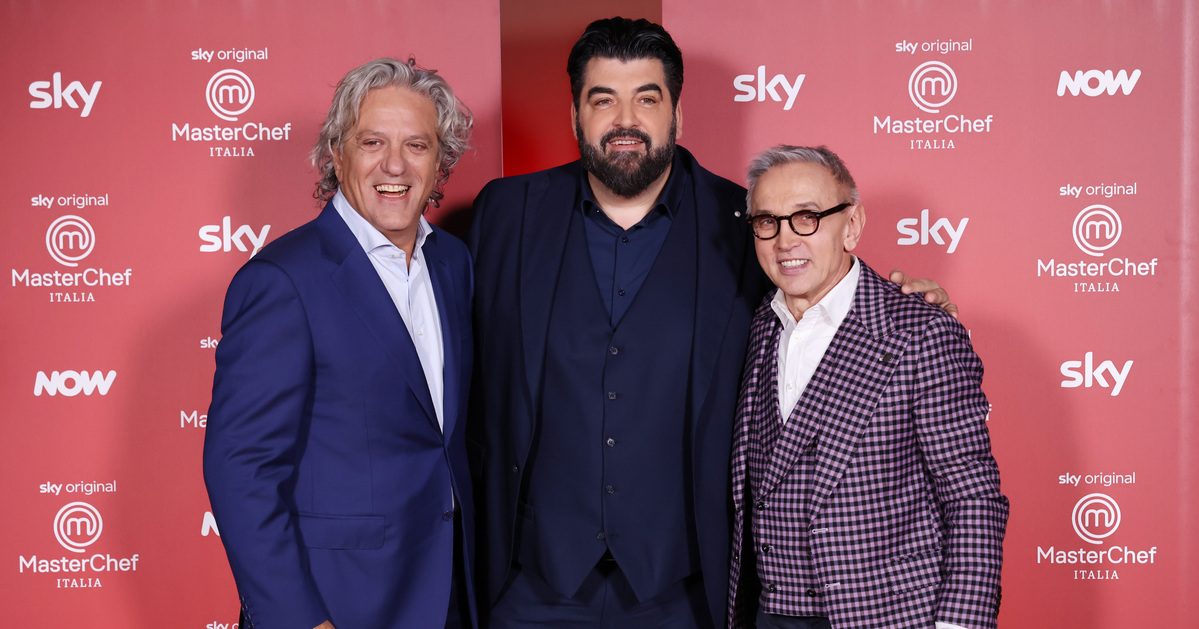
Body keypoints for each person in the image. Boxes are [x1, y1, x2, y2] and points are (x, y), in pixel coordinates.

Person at [468, 17, 955, 629]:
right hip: (531, 587)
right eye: (603, 100)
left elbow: (817, 282)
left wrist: (904, 300)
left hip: (684, 592)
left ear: (676, 113)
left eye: (647, 98)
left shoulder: (741, 220)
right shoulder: (506, 214)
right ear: (575, 115)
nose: (626, 120)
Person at [203, 57, 476, 629]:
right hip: (338, 605)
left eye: (417, 145)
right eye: (372, 141)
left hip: (447, 596)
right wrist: (300, 620)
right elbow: (241, 468)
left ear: (441, 160)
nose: (394, 164)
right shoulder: (283, 281)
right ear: (337, 152)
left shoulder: (454, 264)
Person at [726, 145, 1007, 629]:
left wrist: (960, 624)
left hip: (884, 616)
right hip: (767, 614)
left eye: (807, 218)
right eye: (767, 221)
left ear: (852, 225)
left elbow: (972, 495)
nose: (785, 240)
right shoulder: (757, 326)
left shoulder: (921, 332)